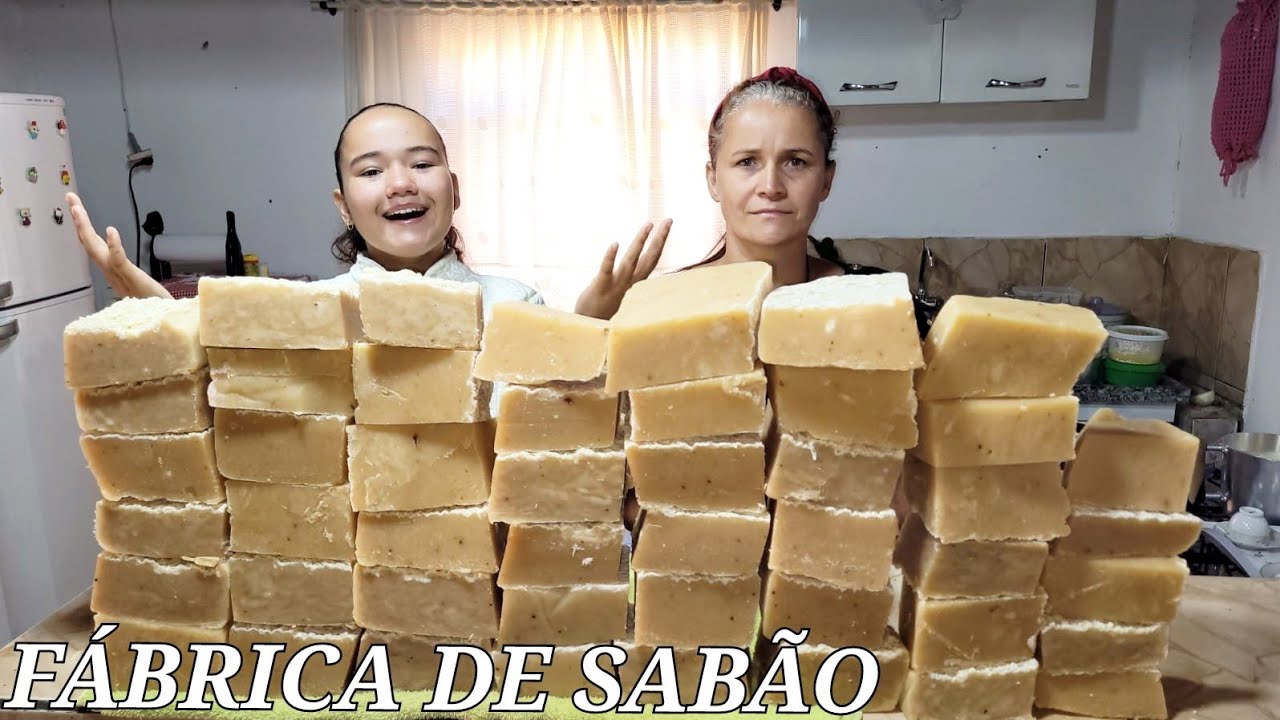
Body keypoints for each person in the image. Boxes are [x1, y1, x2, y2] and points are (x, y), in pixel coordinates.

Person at [70, 103, 553, 311]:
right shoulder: (310, 311)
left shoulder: (515, 303)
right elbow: (219, 372)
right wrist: (156, 309)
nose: (401, 184)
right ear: (344, 207)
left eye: (422, 164)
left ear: (454, 189)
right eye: (371, 171)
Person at [574, 66, 846, 320]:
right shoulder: (665, 307)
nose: (771, 187)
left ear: (826, 180)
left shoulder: (861, 298)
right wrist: (592, 323)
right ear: (713, 180)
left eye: (796, 162)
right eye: (747, 162)